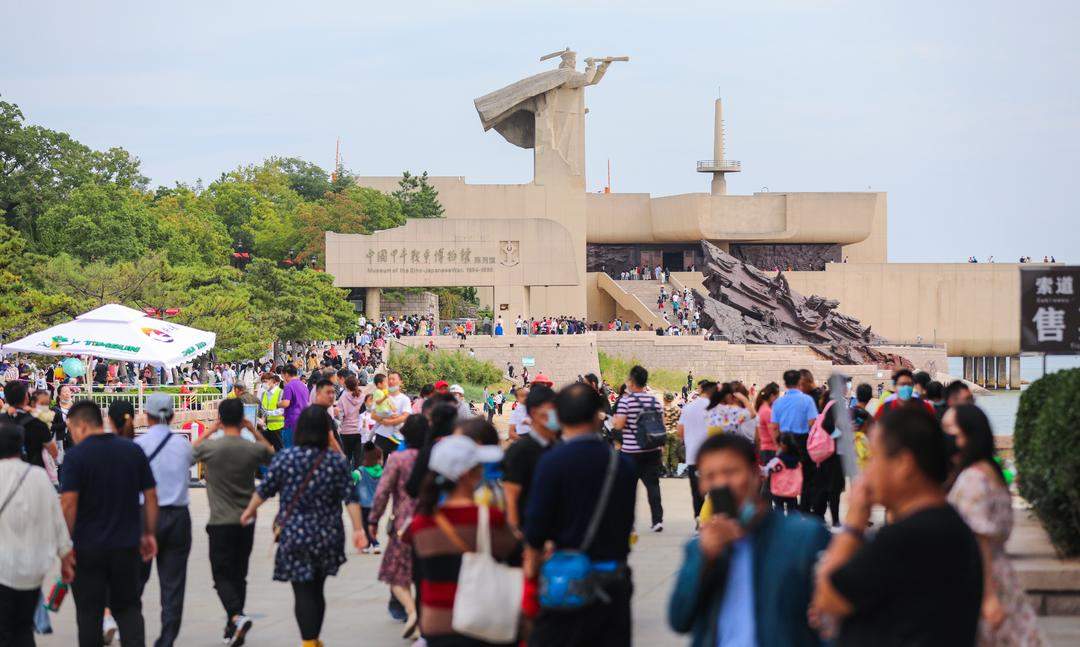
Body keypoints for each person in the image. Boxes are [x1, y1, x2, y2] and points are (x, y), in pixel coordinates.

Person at [811, 407, 983, 646]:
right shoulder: (951, 524)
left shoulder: (906, 537)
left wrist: (854, 522)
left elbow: (829, 598)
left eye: (874, 458)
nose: (868, 470)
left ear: (903, 463)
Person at [668, 434, 829, 646]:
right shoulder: (699, 547)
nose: (721, 483)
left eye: (731, 472)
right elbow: (679, 619)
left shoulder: (804, 537)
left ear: (756, 474)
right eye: (710, 475)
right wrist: (704, 559)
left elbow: (832, 621)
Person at [240, 406, 367, 646]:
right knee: (317, 589)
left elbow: (264, 490)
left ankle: (309, 640)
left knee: (302, 591)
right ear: (326, 432)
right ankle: (313, 639)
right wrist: (359, 530)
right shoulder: (336, 462)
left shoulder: (286, 458)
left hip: (294, 535)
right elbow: (350, 498)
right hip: (326, 535)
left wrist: (248, 512)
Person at [524, 382, 637, 647]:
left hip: (566, 584)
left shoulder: (552, 462)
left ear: (559, 416)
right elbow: (625, 522)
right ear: (598, 415)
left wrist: (532, 568)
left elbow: (536, 528)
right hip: (612, 585)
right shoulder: (622, 465)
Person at [944, 405, 1045, 646]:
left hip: (982, 580)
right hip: (1001, 577)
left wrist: (988, 597)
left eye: (950, 431)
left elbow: (981, 539)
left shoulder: (972, 480)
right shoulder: (991, 472)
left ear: (967, 435)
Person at [61, 401, 159, 647]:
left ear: (81, 426)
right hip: (126, 545)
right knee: (128, 609)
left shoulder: (76, 457)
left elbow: (69, 504)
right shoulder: (131, 451)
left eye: (71, 429)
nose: (71, 434)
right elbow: (150, 496)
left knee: (89, 614)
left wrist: (65, 545)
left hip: (87, 549)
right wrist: (148, 533)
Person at [409, 435, 516, 645]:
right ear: (468, 475)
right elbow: (514, 555)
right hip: (480, 619)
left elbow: (418, 573)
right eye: (479, 468)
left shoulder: (420, 523)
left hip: (435, 622)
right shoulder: (487, 518)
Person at [191, 398, 275, 646]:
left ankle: (236, 617)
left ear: (220, 418)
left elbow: (188, 453)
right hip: (246, 520)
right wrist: (253, 430)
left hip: (220, 521)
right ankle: (234, 624)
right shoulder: (251, 449)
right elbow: (271, 454)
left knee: (220, 575)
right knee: (239, 575)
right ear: (242, 419)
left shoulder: (211, 448)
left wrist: (209, 430)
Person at [0, 422, 74, 646]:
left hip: (2, 570)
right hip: (32, 570)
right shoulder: (39, 477)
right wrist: (66, 558)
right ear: (20, 446)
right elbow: (58, 521)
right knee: (23, 628)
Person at [134, 393, 193, 647]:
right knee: (173, 584)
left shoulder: (139, 445)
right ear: (172, 415)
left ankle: (131, 631)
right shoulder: (183, 445)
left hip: (146, 515)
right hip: (178, 515)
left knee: (135, 579)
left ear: (146, 415)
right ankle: (166, 639)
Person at [369, 414, 427, 640]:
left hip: (403, 524)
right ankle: (420, 616)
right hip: (431, 523)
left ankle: (411, 613)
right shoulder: (434, 458)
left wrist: (373, 520)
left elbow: (382, 492)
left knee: (395, 575)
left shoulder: (397, 459)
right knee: (424, 575)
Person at [502, 384, 558, 549]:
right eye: (551, 411)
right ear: (534, 413)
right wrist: (515, 534)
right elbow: (510, 496)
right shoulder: (520, 451)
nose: (555, 416)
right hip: (529, 535)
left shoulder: (559, 447)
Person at [612, 365, 664, 532]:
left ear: (632, 381)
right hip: (652, 450)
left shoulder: (626, 401)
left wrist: (614, 422)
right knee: (653, 487)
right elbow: (660, 423)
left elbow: (619, 425)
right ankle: (657, 521)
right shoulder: (654, 400)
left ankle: (630, 523)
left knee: (628, 490)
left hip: (630, 452)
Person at [770, 369, 819, 512]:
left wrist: (778, 445)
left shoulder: (778, 402)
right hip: (803, 442)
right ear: (799, 382)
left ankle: (780, 509)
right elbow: (812, 422)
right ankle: (803, 510)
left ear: (785, 383)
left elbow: (774, 427)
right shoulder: (807, 400)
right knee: (806, 478)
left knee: (784, 476)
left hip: (784, 442)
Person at [678, 380, 716, 519]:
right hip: (712, 457)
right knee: (715, 490)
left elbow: (680, 432)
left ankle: (698, 519)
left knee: (697, 491)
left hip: (693, 455)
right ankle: (712, 518)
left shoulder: (688, 407)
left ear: (702, 390)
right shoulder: (716, 408)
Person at [0, 380, 57, 469]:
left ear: (5, 398)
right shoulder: (38, 423)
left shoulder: (2, 420)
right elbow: (54, 452)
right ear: (26, 398)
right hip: (33, 471)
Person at [372, 372, 411, 461]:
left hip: (397, 437)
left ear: (400, 382)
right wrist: (384, 421)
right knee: (377, 464)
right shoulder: (381, 395)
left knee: (397, 466)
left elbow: (405, 416)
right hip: (382, 435)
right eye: (389, 379)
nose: (390, 381)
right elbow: (373, 415)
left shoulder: (405, 399)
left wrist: (390, 422)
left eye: (393, 379)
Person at [355, 442, 383, 554]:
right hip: (377, 503)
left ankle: (374, 543)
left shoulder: (361, 470)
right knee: (373, 523)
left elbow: (352, 477)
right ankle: (368, 543)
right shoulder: (381, 471)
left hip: (364, 503)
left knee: (366, 524)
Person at [337, 375, 366, 468]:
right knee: (358, 459)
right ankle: (357, 479)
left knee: (346, 457)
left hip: (346, 431)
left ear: (346, 385)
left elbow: (340, 416)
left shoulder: (343, 397)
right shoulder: (363, 396)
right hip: (359, 430)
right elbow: (365, 413)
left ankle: (347, 479)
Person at [279, 364, 309, 449]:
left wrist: (277, 404)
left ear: (286, 374)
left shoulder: (288, 386)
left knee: (289, 448)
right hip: (304, 420)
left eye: (283, 375)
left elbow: (286, 403)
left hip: (292, 421)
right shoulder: (303, 386)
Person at [259, 372, 286, 450]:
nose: (264, 384)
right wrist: (262, 420)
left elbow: (283, 409)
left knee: (279, 449)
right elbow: (263, 410)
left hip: (278, 427)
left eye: (266, 381)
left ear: (273, 381)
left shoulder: (281, 392)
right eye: (263, 382)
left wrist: (270, 413)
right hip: (266, 427)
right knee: (264, 449)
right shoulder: (264, 394)